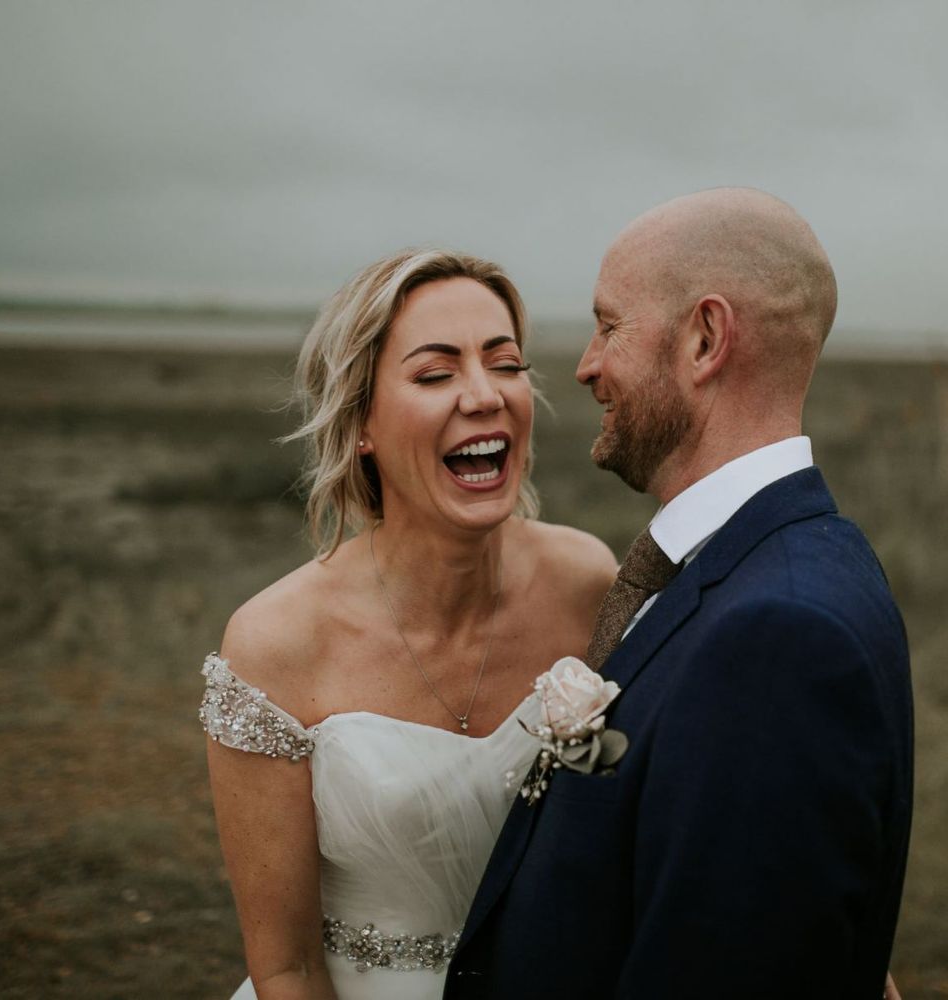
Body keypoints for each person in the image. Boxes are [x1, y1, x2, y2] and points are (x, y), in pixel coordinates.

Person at [446, 188, 913, 999]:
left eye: (610, 324)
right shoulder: (772, 559)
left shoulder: (778, 638)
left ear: (705, 339)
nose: (587, 364)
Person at [198, 248, 617, 999]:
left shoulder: (588, 583)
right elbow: (286, 968)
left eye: (506, 363)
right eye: (435, 374)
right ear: (360, 422)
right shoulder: (275, 644)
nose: (485, 395)